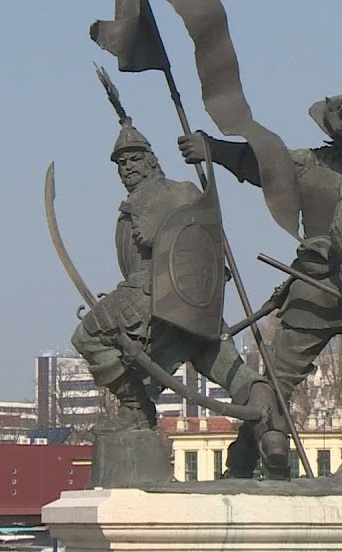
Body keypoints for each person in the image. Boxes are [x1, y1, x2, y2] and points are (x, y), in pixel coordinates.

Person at [179, 84, 342, 440]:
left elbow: (262, 164)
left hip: (309, 296)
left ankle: (250, 453)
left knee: (277, 386)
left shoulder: (305, 164)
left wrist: (211, 148)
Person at [70, 118, 289, 478]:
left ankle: (136, 409)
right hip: (185, 307)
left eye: (134, 159)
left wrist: (161, 234)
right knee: (232, 371)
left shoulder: (177, 192)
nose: (127, 168)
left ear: (151, 160)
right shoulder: (132, 206)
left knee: (88, 337)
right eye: (121, 163)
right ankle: (272, 429)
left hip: (158, 296)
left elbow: (200, 239)